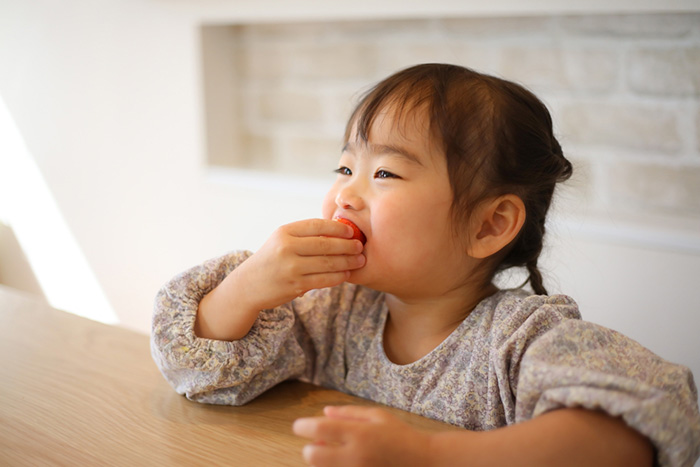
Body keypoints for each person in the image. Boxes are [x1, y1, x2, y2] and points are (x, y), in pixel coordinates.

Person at [151, 64, 700, 466]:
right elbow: (200, 376)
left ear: (488, 225)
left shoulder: (521, 339)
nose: (346, 195)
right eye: (344, 167)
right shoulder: (331, 313)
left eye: (385, 174)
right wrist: (245, 291)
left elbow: (636, 426)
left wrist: (428, 455)